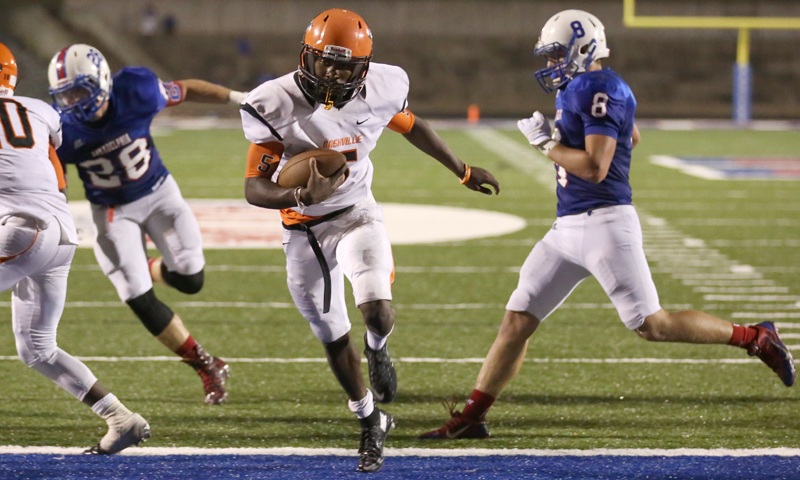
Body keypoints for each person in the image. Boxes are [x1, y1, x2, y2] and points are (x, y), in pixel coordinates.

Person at [419, 9, 795, 440]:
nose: (550, 63)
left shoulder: (598, 88)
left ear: (583, 49)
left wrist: (545, 144)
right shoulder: (585, 87)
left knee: (653, 325)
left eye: (557, 53)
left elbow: (595, 168)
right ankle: (473, 416)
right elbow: (630, 136)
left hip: (604, 224)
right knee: (517, 321)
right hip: (567, 229)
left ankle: (756, 336)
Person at [239, 8, 499, 472]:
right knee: (332, 333)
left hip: (357, 212)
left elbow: (408, 124)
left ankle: (378, 348)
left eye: (347, 66)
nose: (336, 73)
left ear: (365, 67)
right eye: (326, 62)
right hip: (303, 228)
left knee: (377, 309)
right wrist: (298, 191)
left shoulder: (383, 87)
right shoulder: (273, 102)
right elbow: (253, 186)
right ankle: (369, 419)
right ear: (307, 56)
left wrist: (461, 170)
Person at [47, 44, 248, 405]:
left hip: (158, 193)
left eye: (80, 90)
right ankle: (205, 363)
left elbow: (185, 89)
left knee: (191, 279)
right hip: (112, 211)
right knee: (136, 295)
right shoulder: (61, 128)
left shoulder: (137, 89)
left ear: (103, 81)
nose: (74, 102)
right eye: (66, 95)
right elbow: (45, 172)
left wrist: (237, 98)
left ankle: (152, 266)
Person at [0, 42, 149, 454]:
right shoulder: (40, 111)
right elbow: (51, 164)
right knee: (37, 348)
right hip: (61, 232)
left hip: (21, 230)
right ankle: (121, 419)